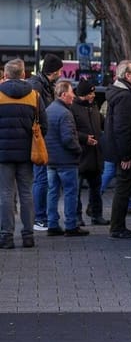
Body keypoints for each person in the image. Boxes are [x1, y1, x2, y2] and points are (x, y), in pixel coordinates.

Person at [101, 60, 131, 240]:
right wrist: (126, 154)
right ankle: (117, 227)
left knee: (123, 188)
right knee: (123, 189)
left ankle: (118, 226)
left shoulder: (122, 94)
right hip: (125, 153)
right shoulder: (124, 96)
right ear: (127, 76)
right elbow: (122, 128)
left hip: (123, 150)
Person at [0, 59, 46, 248]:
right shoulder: (34, 96)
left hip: (2, 155)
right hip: (28, 153)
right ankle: (28, 236)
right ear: (24, 75)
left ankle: (6, 236)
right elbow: (45, 125)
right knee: (27, 194)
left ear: (6, 75)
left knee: (5, 194)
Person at [44, 79, 86, 236]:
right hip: (66, 161)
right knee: (70, 192)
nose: (73, 96)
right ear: (63, 94)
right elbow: (68, 139)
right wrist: (78, 149)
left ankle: (52, 224)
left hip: (51, 160)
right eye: (71, 92)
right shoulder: (65, 113)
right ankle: (71, 225)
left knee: (52, 192)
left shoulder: (48, 110)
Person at [29, 53, 62, 231]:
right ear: (54, 71)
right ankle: (39, 218)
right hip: (38, 139)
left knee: (41, 179)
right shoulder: (38, 86)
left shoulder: (43, 85)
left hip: (40, 137)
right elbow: (40, 114)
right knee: (41, 179)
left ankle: (40, 217)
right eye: (60, 70)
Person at [70, 78, 106, 226]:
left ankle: (96, 215)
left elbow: (102, 124)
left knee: (96, 188)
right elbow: (70, 131)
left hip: (95, 155)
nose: (93, 95)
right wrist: (85, 138)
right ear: (83, 94)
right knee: (76, 189)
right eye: (91, 93)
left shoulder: (94, 107)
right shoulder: (72, 108)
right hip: (80, 155)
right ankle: (77, 217)